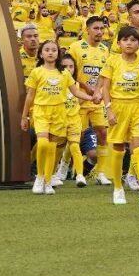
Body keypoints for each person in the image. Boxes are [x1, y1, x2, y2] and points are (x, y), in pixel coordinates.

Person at [21, 40, 97, 196]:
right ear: (41, 53)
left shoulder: (64, 73)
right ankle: (40, 177)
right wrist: (24, 116)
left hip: (59, 113)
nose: (50, 52)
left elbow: (75, 92)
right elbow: (30, 96)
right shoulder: (37, 72)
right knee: (42, 144)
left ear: (58, 54)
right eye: (47, 50)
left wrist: (91, 98)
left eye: (53, 50)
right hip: (42, 112)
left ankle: (48, 181)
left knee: (51, 149)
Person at [101, 26, 139, 207]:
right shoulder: (112, 61)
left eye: (134, 40)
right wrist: (109, 109)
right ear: (119, 43)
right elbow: (105, 87)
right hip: (118, 107)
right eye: (125, 40)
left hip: (138, 108)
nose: (129, 43)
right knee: (119, 147)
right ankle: (118, 188)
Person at [68, 16, 112, 185]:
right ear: (87, 29)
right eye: (96, 28)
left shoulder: (104, 50)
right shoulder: (76, 47)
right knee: (76, 137)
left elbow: (104, 74)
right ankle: (64, 167)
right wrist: (85, 87)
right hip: (80, 98)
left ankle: (100, 173)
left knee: (102, 132)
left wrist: (100, 91)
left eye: (102, 28)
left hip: (96, 99)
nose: (99, 32)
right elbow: (70, 71)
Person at [54, 54, 89, 188]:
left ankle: (80, 175)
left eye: (71, 66)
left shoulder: (77, 84)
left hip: (74, 120)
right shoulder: (56, 82)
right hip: (59, 120)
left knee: (75, 145)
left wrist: (90, 98)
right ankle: (51, 174)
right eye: (64, 66)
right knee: (57, 149)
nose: (68, 69)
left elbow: (80, 98)